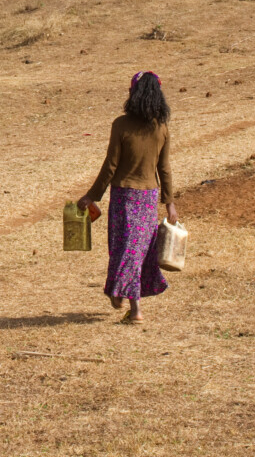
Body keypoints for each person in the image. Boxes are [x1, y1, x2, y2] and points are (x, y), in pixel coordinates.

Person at [78, 70, 177, 324]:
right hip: (148, 198)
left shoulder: (120, 125)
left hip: (124, 196)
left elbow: (111, 165)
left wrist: (92, 196)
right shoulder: (161, 128)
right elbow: (163, 169)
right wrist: (169, 204)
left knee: (124, 248)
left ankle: (134, 308)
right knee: (138, 251)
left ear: (134, 94)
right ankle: (122, 295)